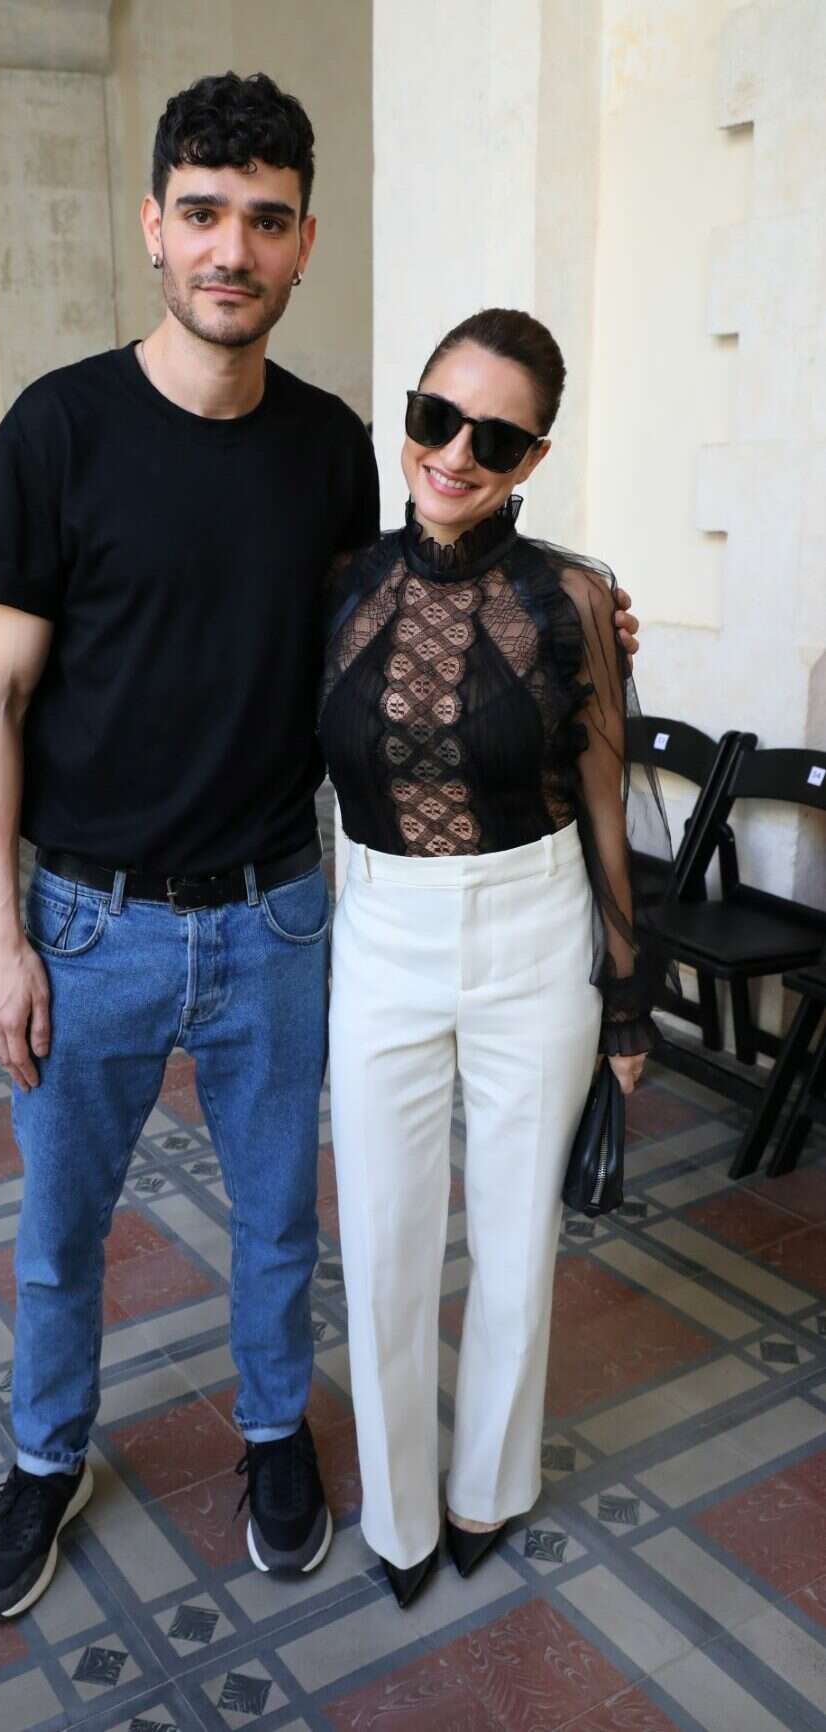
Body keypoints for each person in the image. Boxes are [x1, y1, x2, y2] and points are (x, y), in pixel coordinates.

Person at [0, 75, 642, 1623]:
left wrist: (583, 610)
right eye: (202, 214)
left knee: (280, 1226)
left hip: (278, 913)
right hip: (88, 918)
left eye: (265, 221)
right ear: (153, 224)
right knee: (60, 1233)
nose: (231, 249)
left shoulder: (331, 447)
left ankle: (274, 1440)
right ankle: (44, 1461)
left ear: (303, 243)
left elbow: (413, 594)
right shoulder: (59, 428)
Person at [320, 309, 668, 1610]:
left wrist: (625, 997)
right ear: (407, 413)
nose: (455, 453)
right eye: (435, 417)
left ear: (532, 458)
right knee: (384, 1240)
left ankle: (487, 1488)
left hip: (535, 933)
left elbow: (605, 802)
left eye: (495, 438)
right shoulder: (337, 581)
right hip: (380, 933)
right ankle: (400, 1512)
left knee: (517, 1238)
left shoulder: (571, 597)